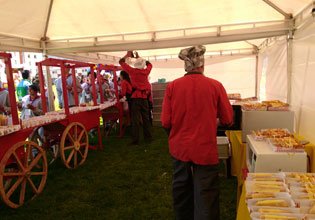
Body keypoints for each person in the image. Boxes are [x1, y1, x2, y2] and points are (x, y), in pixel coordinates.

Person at [161, 45, 233, 220]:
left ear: (185, 65)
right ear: (202, 64)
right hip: (205, 148)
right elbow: (228, 119)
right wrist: (211, 120)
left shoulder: (173, 87)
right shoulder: (216, 86)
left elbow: (165, 121)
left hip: (180, 148)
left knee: (181, 190)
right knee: (206, 193)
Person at [119, 51, 153, 145]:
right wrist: (139, 57)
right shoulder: (146, 71)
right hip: (144, 97)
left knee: (135, 120)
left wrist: (128, 55)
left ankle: (135, 140)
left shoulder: (132, 71)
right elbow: (149, 64)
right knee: (146, 118)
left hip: (135, 98)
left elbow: (121, 61)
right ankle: (148, 137)